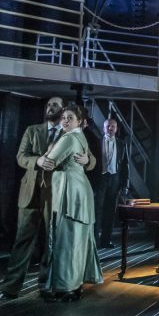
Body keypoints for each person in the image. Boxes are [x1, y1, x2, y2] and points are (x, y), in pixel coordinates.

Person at [0, 97, 96, 301]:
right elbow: (20, 157)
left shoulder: (71, 132)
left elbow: (90, 158)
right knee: (23, 240)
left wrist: (88, 160)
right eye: (48, 105)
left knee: (52, 241)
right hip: (31, 192)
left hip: (56, 195)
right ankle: (9, 288)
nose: (50, 108)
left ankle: (47, 286)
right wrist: (37, 160)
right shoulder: (32, 130)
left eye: (55, 105)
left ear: (64, 110)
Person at [43, 104, 103, 301]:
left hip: (70, 192)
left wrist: (46, 155)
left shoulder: (69, 138)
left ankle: (65, 287)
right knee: (77, 239)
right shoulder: (80, 136)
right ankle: (75, 284)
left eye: (70, 118)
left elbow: (50, 161)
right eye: (64, 117)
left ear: (79, 122)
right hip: (81, 190)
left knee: (67, 240)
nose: (65, 121)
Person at [94, 117, 129, 249]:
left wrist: (125, 184)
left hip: (115, 180)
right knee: (97, 210)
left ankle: (106, 240)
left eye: (112, 126)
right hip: (100, 179)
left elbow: (125, 165)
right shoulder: (97, 142)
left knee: (110, 211)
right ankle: (94, 240)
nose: (110, 128)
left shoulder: (122, 144)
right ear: (103, 128)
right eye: (108, 126)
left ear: (116, 128)